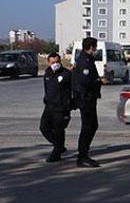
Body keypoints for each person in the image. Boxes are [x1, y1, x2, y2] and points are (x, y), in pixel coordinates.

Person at [72, 37, 104, 168]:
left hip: (89, 98)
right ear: (91, 47)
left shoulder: (86, 59)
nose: (95, 50)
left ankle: (83, 153)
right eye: (95, 47)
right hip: (86, 98)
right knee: (88, 126)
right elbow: (85, 81)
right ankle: (82, 156)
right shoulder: (85, 60)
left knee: (92, 125)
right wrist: (99, 81)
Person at [40, 52, 73, 162]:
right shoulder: (47, 74)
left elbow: (74, 88)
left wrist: (70, 104)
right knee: (44, 128)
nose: (55, 64)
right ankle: (59, 146)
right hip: (49, 106)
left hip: (62, 108)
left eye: (57, 62)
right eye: (53, 62)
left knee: (59, 130)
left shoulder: (67, 74)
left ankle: (56, 153)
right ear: (48, 63)